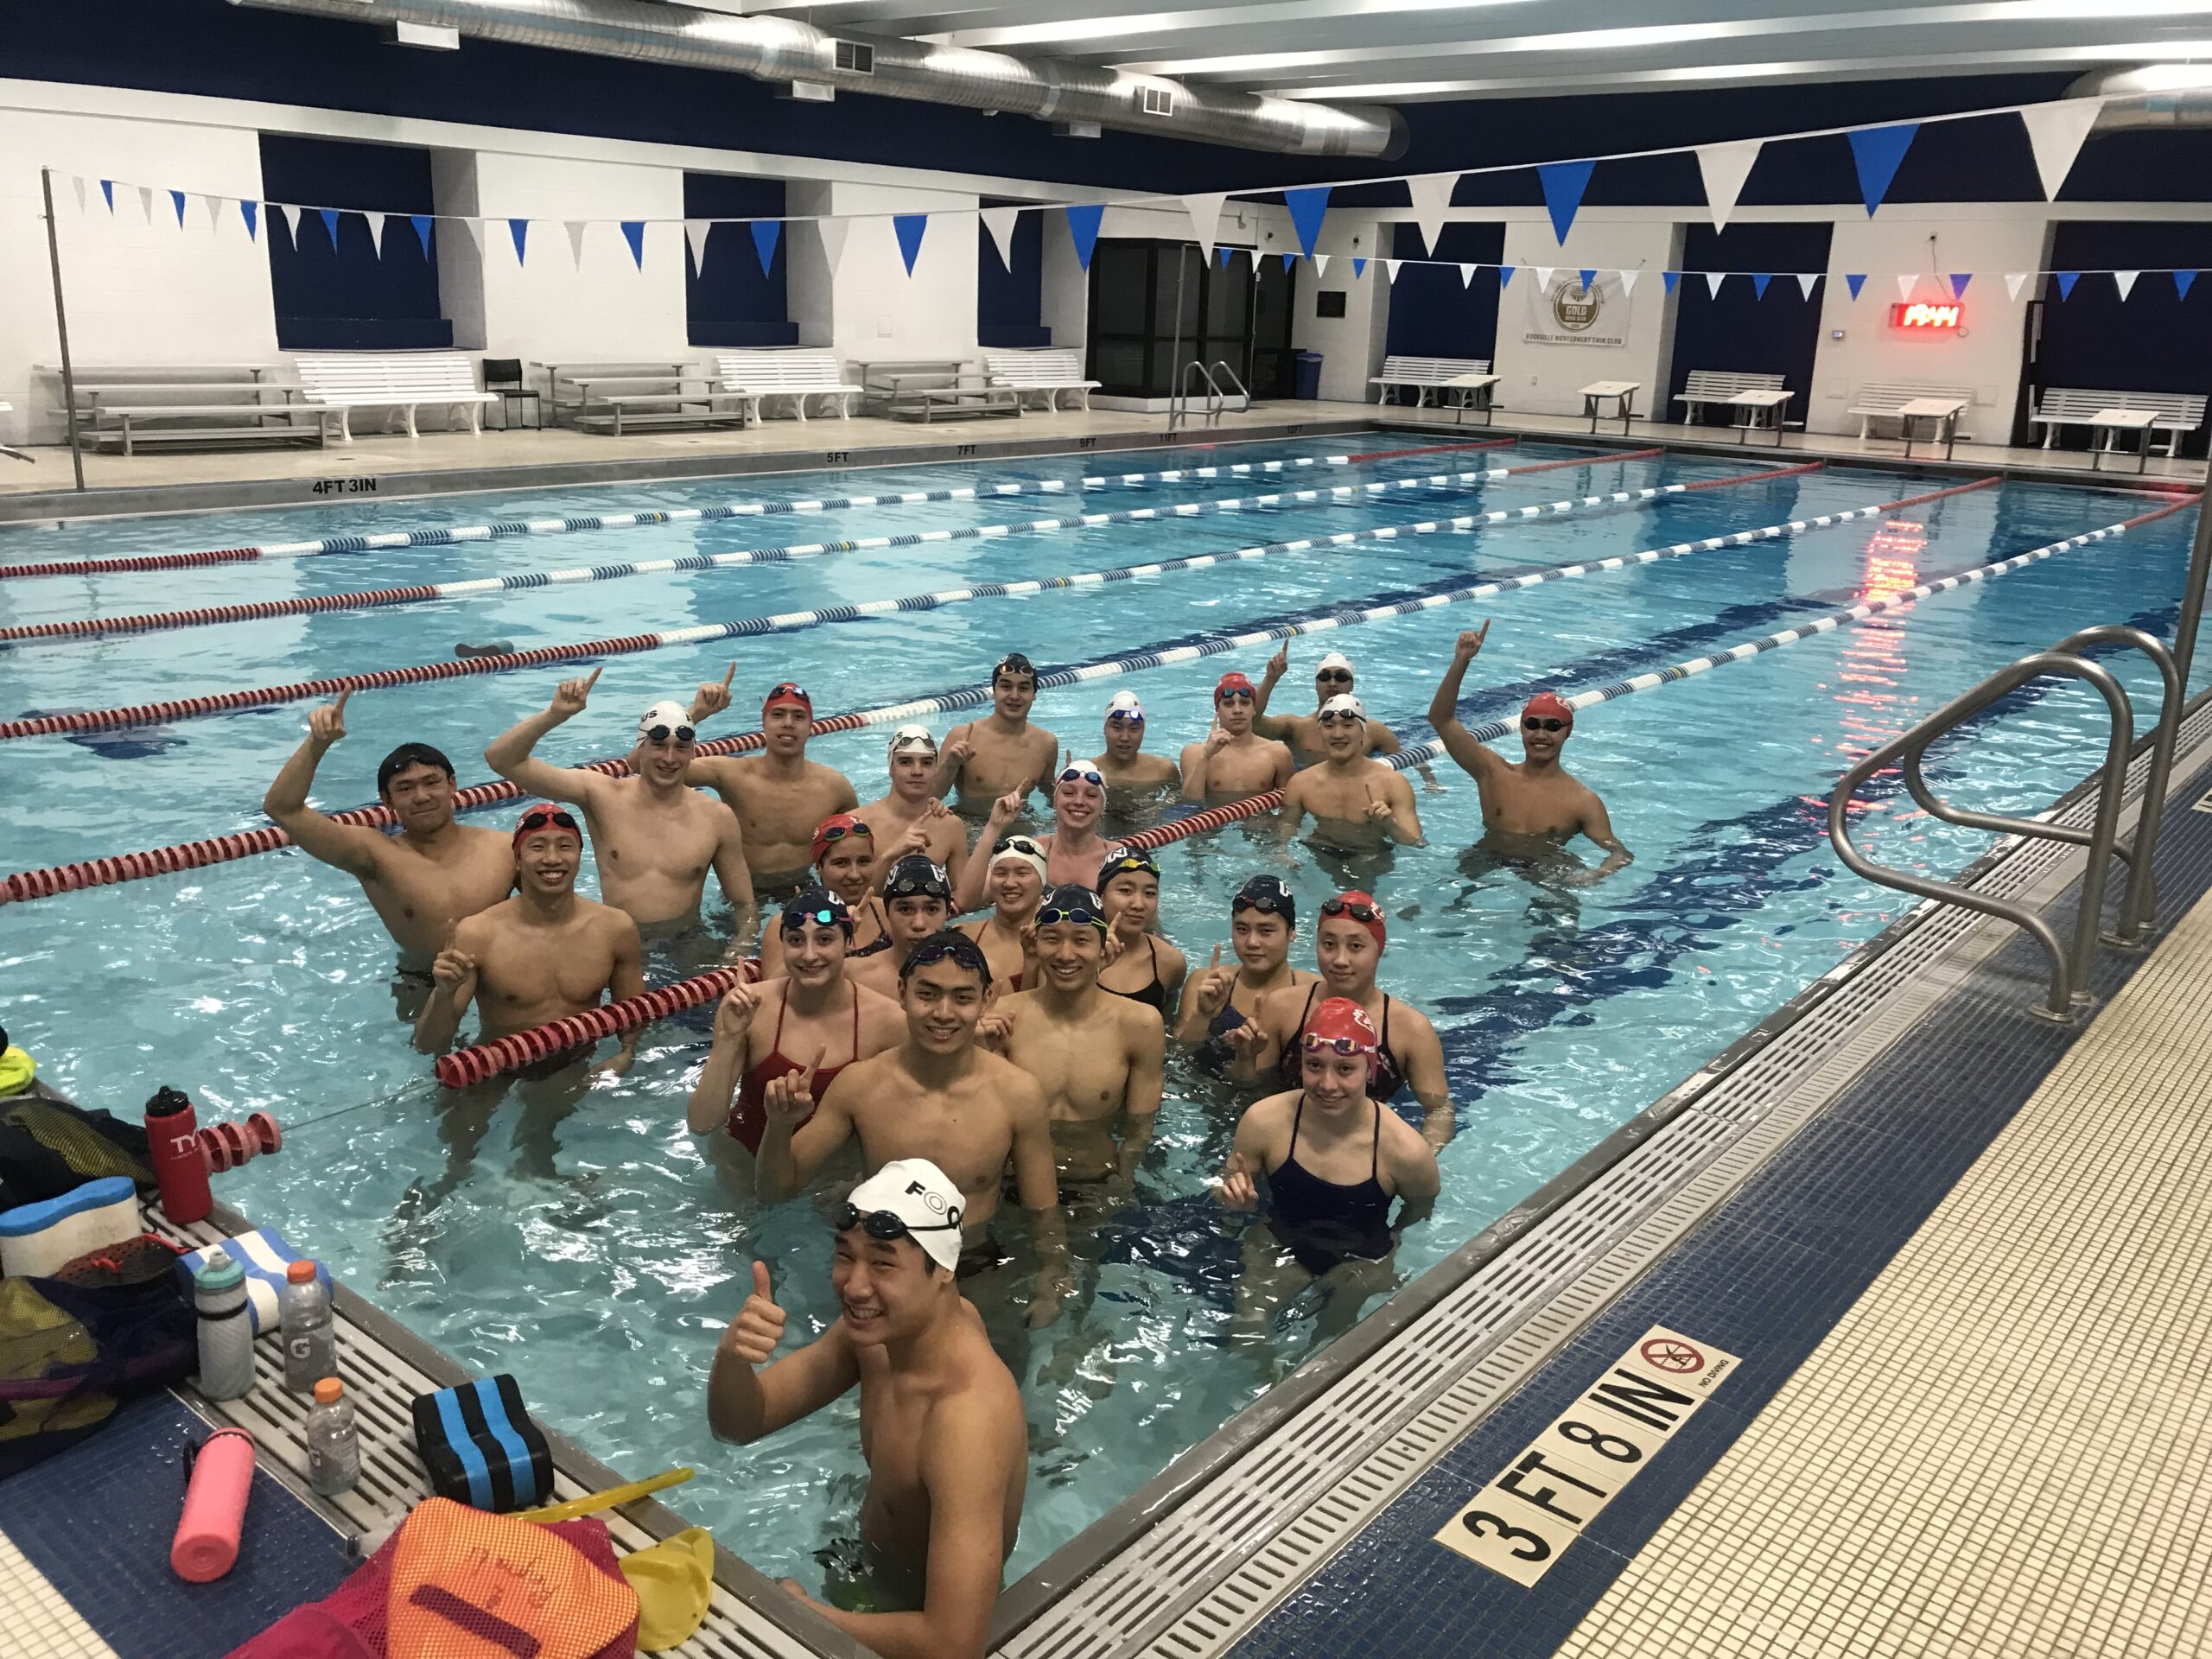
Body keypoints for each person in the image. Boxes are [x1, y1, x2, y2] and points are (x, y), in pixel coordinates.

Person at [709, 1158, 1024, 1656]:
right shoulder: (883, 1336)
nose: (854, 1286)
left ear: (944, 1267)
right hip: (870, 1574)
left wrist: (799, 1613)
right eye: (845, 1256)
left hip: (920, 1628)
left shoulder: (966, 1420)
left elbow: (954, 1645)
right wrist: (732, 1357)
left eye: (883, 1263)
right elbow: (739, 1424)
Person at [755, 931, 1069, 1322]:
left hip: (971, 1263)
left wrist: (1051, 1280)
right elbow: (775, 1190)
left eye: (962, 998)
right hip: (877, 1267)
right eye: (928, 994)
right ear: (902, 993)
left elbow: (1043, 1214)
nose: (943, 1013)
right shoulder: (860, 1085)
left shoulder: (1018, 1094)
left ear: (987, 1000)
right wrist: (779, 1126)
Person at [261, 693, 514, 1014]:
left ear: (452, 785)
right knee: (422, 1047)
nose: (421, 796)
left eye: (431, 782)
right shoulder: (374, 855)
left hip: (500, 974)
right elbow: (282, 809)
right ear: (386, 800)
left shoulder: (504, 848)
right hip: (421, 979)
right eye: (405, 788)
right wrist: (317, 743)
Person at [1217, 999, 1440, 1342]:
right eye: (1315, 1065)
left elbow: (1418, 1213)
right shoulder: (1265, 1120)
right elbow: (1227, 1182)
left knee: (1332, 1346)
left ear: (1370, 1070)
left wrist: (1388, 1257)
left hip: (1362, 1260)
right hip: (1278, 1243)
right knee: (1246, 1334)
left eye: (1345, 1069)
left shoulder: (1405, 1150)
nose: (1327, 1084)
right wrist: (1232, 1198)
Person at [484, 671, 756, 941]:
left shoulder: (717, 818)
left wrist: (738, 951)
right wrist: (555, 715)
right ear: (640, 749)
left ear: (693, 752)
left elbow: (744, 906)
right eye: (658, 745)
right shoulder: (602, 796)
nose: (669, 758)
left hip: (688, 943)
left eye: (681, 748)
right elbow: (502, 759)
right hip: (621, 944)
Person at [411, 804, 644, 1072]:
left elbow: (634, 1016)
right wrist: (443, 993)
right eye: (538, 847)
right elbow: (427, 1045)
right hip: (501, 1066)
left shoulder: (615, 928)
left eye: (565, 846)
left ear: (580, 856)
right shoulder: (478, 934)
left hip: (581, 1061)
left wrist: (626, 1054)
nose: (552, 858)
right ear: (518, 860)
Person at [1224, 891, 1454, 1147]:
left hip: (1364, 1148)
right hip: (1285, 1140)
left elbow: (1438, 1109)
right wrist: (1244, 1059)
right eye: (1329, 944)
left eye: (1355, 947)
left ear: (1379, 950)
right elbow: (1249, 1088)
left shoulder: (1411, 1029)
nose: (1340, 960)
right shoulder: (1282, 1007)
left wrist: (1422, 1157)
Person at [687, 888, 905, 1155]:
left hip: (832, 1177)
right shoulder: (749, 1009)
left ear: (849, 942)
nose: (810, 955)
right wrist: (729, 1039)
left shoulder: (888, 1021)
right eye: (796, 940)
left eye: (825, 939)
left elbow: (900, 1125)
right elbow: (702, 1123)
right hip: (742, 1164)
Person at [978, 885, 1164, 1190]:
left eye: (1081, 940)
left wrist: (1122, 1184)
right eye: (1052, 939)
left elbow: (1140, 1127)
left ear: (1103, 948)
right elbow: (983, 1119)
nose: (1065, 955)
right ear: (1035, 943)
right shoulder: (1004, 1017)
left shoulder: (1140, 1024)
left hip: (1098, 1181)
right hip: (1013, 1182)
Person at [1427, 624, 1632, 881]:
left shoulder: (1583, 801)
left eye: (1553, 726)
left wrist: (1595, 874)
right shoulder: (1492, 772)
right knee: (1445, 892)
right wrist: (1462, 660)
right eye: (1532, 724)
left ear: (1567, 731)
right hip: (1487, 853)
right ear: (1522, 728)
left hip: (1546, 865)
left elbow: (1619, 853)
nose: (1541, 734)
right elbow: (1441, 719)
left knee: (1562, 904)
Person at [687, 680, 860, 893]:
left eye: (799, 716)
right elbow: (656, 765)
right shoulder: (732, 774)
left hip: (805, 889)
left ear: (810, 726)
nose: (788, 723)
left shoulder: (834, 787)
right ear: (764, 722)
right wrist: (696, 713)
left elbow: (860, 850)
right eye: (778, 715)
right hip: (746, 893)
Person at [1173, 876, 1322, 1070]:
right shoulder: (1207, 983)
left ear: (1292, 932)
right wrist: (1202, 1015)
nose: (1252, 942)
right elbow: (1178, 1060)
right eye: (1242, 929)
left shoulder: (1315, 996)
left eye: (1266, 931)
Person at [954, 760, 1116, 910]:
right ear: (1055, 802)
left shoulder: (1117, 858)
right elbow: (966, 902)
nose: (1079, 801)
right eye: (1068, 793)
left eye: (1091, 795)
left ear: (1103, 806)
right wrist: (994, 827)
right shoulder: (1029, 852)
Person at [1279, 696, 1422, 851]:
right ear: (1320, 732)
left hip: (1372, 853)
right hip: (1320, 848)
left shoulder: (1393, 783)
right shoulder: (1301, 783)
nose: (1338, 734)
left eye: (1347, 725)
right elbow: (1287, 829)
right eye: (1329, 726)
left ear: (1362, 731)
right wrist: (1282, 854)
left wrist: (1389, 824)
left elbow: (1415, 843)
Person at [758, 814, 891, 978]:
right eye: (841, 863)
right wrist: (803, 931)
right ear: (819, 867)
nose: (855, 874)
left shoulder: (887, 912)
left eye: (863, 861)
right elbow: (771, 991)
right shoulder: (785, 923)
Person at [935, 653, 1058, 816]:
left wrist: (1069, 783)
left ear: (1034, 694)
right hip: (972, 822)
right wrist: (949, 766)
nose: (1014, 696)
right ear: (994, 691)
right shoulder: (962, 737)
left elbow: (1050, 796)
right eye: (1006, 687)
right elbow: (933, 796)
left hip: (1020, 823)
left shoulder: (1046, 744)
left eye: (1023, 688)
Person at [855, 725, 968, 888]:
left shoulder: (951, 826)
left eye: (927, 763)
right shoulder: (859, 824)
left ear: (935, 770)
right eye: (906, 762)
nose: (917, 771)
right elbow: (850, 897)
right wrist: (890, 856)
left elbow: (961, 897)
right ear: (891, 767)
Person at [1252, 646, 1403, 767]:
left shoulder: (1375, 731)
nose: (1332, 683)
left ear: (1352, 685)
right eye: (1324, 677)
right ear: (1316, 684)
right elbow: (1253, 723)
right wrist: (1271, 679)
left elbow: (1406, 763)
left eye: (1341, 677)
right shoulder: (1295, 727)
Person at [849, 855, 956, 1001]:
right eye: (905, 909)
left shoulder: (973, 977)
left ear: (947, 912)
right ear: (887, 912)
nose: (919, 924)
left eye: (931, 909)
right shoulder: (854, 976)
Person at [1095, 850, 1187, 1019]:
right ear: (1101, 896)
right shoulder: (1074, 954)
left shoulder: (1170, 962)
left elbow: (1169, 1027)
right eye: (1126, 890)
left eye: (1150, 893)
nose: (1139, 904)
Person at [1179, 671, 1294, 803]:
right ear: (1217, 710)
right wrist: (1205, 757)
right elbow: (1189, 804)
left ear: (1254, 709)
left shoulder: (1278, 753)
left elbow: (1288, 804)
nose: (1238, 710)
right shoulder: (1194, 753)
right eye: (1228, 704)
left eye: (1245, 703)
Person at [959, 835, 1047, 992]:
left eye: (1022, 873)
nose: (1009, 883)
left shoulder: (1053, 946)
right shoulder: (964, 936)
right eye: (1000, 873)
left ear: (1042, 881)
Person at [1090, 691, 1179, 794]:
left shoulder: (1164, 770)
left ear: (1143, 731)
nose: (1125, 738)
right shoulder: (1088, 772)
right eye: (1117, 728)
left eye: (1134, 728)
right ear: (1104, 729)